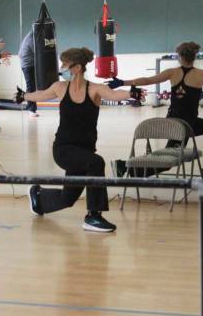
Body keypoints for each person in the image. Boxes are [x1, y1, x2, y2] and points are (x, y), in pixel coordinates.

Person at [20, 47, 134, 233]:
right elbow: (41, 94)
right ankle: (93, 216)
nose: (62, 68)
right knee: (96, 163)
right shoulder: (60, 87)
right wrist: (23, 96)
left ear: (78, 67)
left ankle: (38, 197)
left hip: (84, 152)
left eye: (65, 64)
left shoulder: (94, 89)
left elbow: (114, 94)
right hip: (64, 149)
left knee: (68, 198)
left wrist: (132, 94)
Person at [111, 41, 203, 177]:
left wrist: (122, 82)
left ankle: (129, 170)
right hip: (187, 125)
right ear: (194, 57)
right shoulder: (201, 74)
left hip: (174, 121)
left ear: (180, 57)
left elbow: (147, 80)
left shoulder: (172, 72)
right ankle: (126, 166)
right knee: (170, 159)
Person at [18, 29, 38, 117]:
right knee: (31, 86)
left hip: (29, 64)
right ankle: (31, 109)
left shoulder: (31, 36)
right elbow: (38, 52)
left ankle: (31, 108)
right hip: (27, 65)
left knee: (32, 86)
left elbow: (19, 54)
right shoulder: (31, 39)